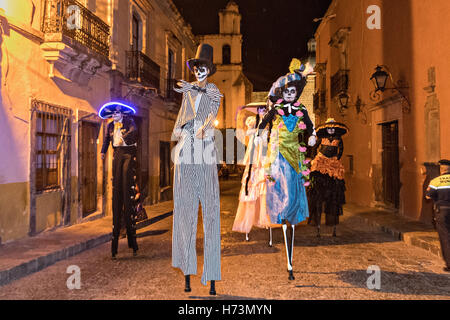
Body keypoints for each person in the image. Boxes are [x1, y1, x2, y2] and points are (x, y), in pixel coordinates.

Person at [257, 58, 316, 280]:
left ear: (297, 93)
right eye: (287, 91)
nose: (290, 94)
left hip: (295, 156)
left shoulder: (301, 109)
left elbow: (310, 127)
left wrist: (311, 136)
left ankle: (291, 212)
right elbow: (264, 122)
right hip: (278, 153)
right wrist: (260, 134)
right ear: (283, 93)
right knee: (278, 185)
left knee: (292, 189)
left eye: (293, 91)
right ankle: (281, 212)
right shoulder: (278, 109)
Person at [171, 44, 223, 295]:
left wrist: (203, 128)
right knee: (184, 215)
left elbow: (213, 111)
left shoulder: (213, 91)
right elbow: (181, 120)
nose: (199, 72)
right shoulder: (187, 94)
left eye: (203, 68)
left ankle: (211, 274)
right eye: (196, 68)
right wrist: (182, 131)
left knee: (211, 215)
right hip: (186, 156)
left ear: (209, 70)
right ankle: (187, 271)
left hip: (205, 155)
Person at [99, 102, 139, 259]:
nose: (115, 116)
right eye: (113, 114)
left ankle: (132, 241)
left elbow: (134, 133)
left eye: (117, 113)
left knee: (125, 176)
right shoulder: (109, 127)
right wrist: (103, 152)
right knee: (117, 187)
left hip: (127, 153)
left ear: (122, 113)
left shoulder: (129, 122)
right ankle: (118, 188)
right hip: (117, 153)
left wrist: (125, 136)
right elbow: (106, 141)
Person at [232, 105, 272, 241]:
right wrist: (256, 131)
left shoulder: (269, 124)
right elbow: (247, 134)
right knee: (252, 182)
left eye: (265, 111)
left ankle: (266, 219)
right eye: (261, 110)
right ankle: (247, 223)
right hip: (255, 154)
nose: (262, 113)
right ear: (258, 112)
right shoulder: (253, 122)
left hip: (265, 153)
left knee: (264, 185)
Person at [308, 118, 348, 237]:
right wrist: (314, 159)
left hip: (333, 163)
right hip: (321, 162)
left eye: (332, 129)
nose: (331, 130)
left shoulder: (338, 139)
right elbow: (314, 149)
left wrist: (336, 159)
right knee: (317, 189)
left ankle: (332, 222)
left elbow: (341, 151)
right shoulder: (321, 138)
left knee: (335, 189)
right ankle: (317, 221)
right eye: (329, 128)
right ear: (326, 129)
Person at [426, 159, 450, 272]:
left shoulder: (435, 181)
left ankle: (449, 263)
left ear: (441, 169)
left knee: (445, 237)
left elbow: (428, 196)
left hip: (442, 212)